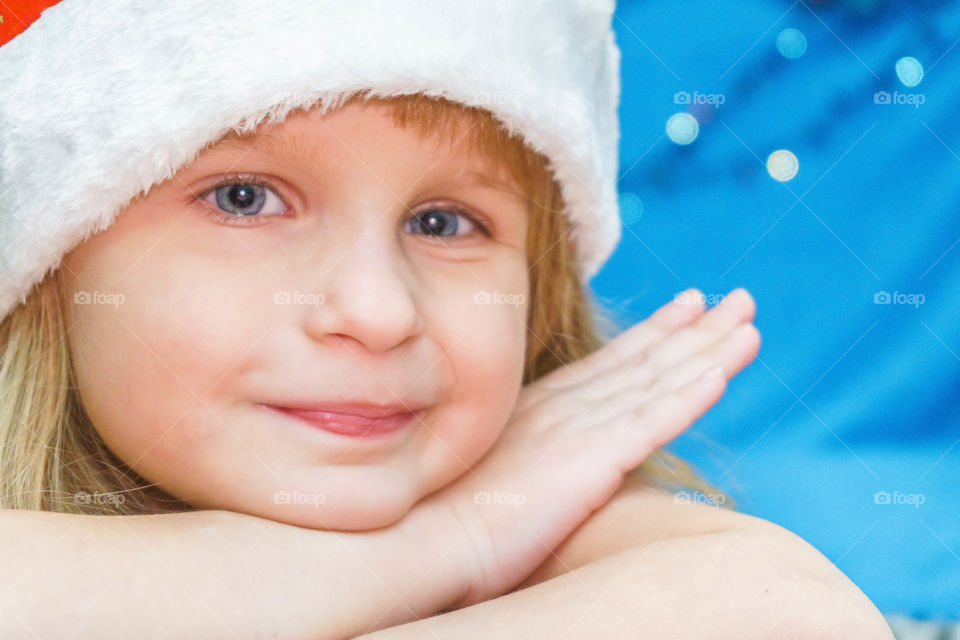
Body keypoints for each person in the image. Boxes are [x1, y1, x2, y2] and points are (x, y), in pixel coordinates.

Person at [0, 1, 893, 637]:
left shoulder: (551, 502)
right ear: (47, 261)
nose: (379, 312)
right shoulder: (487, 511)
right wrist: (438, 544)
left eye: (443, 223)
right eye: (245, 198)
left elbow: (790, 615)